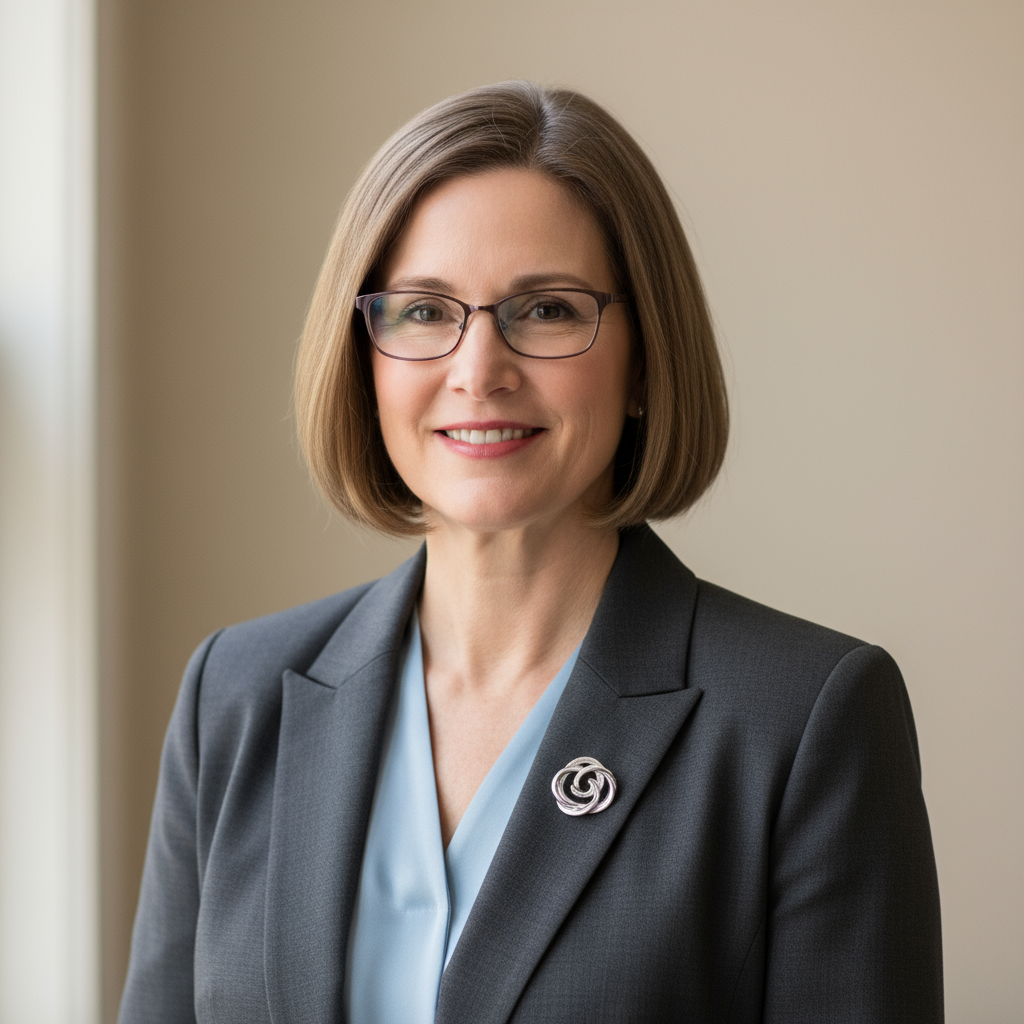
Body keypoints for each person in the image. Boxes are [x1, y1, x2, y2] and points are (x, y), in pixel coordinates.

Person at [119, 82, 943, 1023]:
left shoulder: (804, 723)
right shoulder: (234, 694)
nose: (479, 370)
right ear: (365, 357)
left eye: (547, 309)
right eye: (425, 312)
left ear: (643, 360)